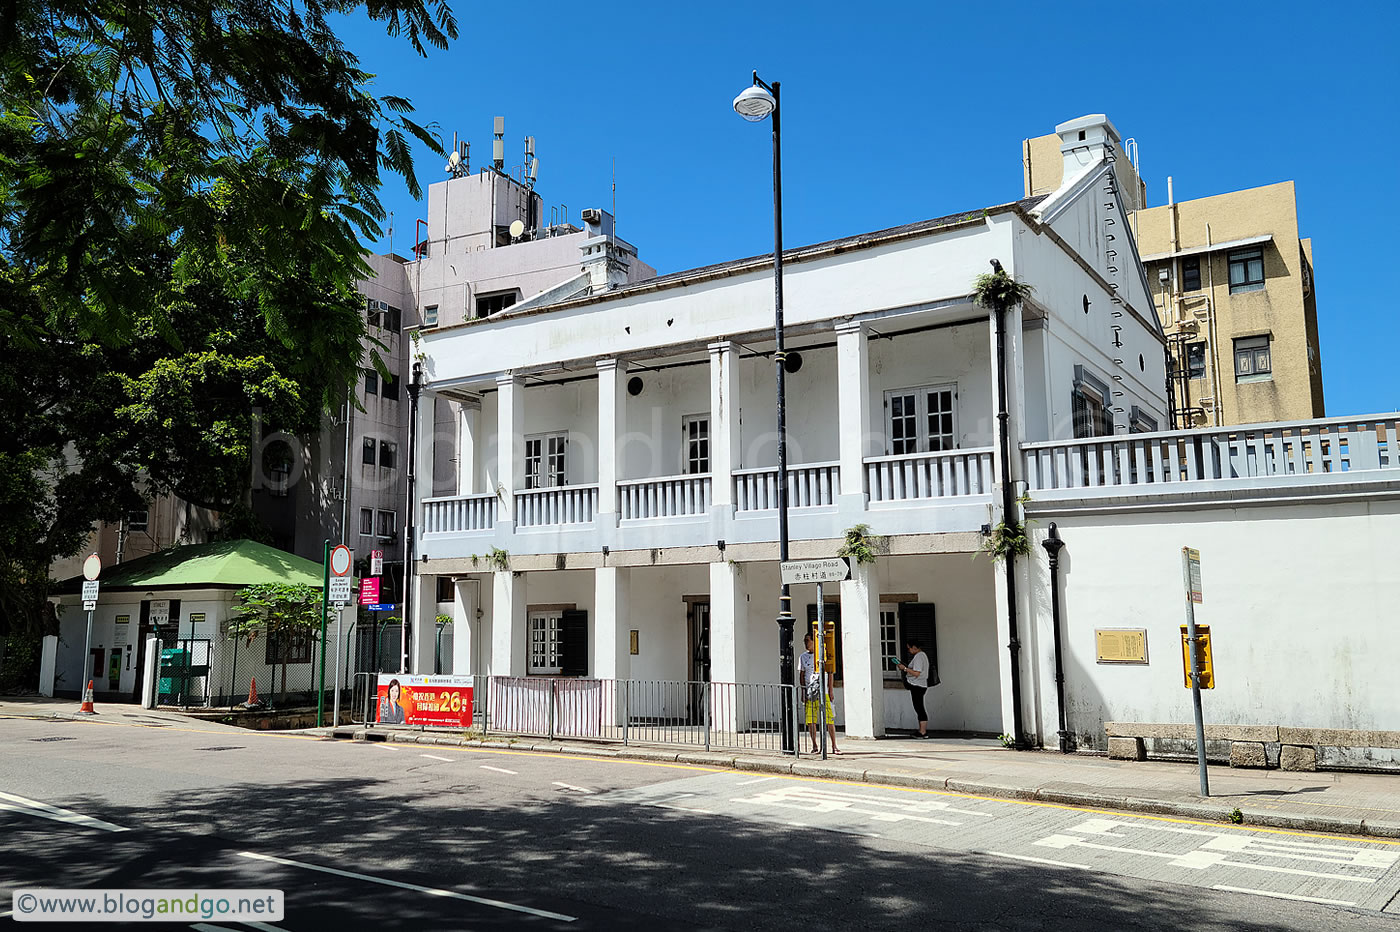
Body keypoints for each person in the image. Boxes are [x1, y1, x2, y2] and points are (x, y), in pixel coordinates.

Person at [798, 632, 840, 754]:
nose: (806, 643)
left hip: (823, 691)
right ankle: (815, 745)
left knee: (829, 719)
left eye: (808, 640)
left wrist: (830, 689)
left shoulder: (823, 656)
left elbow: (830, 672)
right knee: (811, 720)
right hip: (810, 692)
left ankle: (833, 745)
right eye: (805, 641)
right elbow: (802, 674)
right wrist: (803, 691)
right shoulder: (803, 657)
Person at [895, 640, 931, 738]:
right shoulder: (922, 656)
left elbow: (916, 673)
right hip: (921, 685)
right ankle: (921, 730)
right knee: (919, 707)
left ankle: (923, 731)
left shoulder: (919, 657)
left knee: (919, 708)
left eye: (909, 648)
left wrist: (905, 669)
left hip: (917, 685)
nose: (909, 650)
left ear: (914, 647)